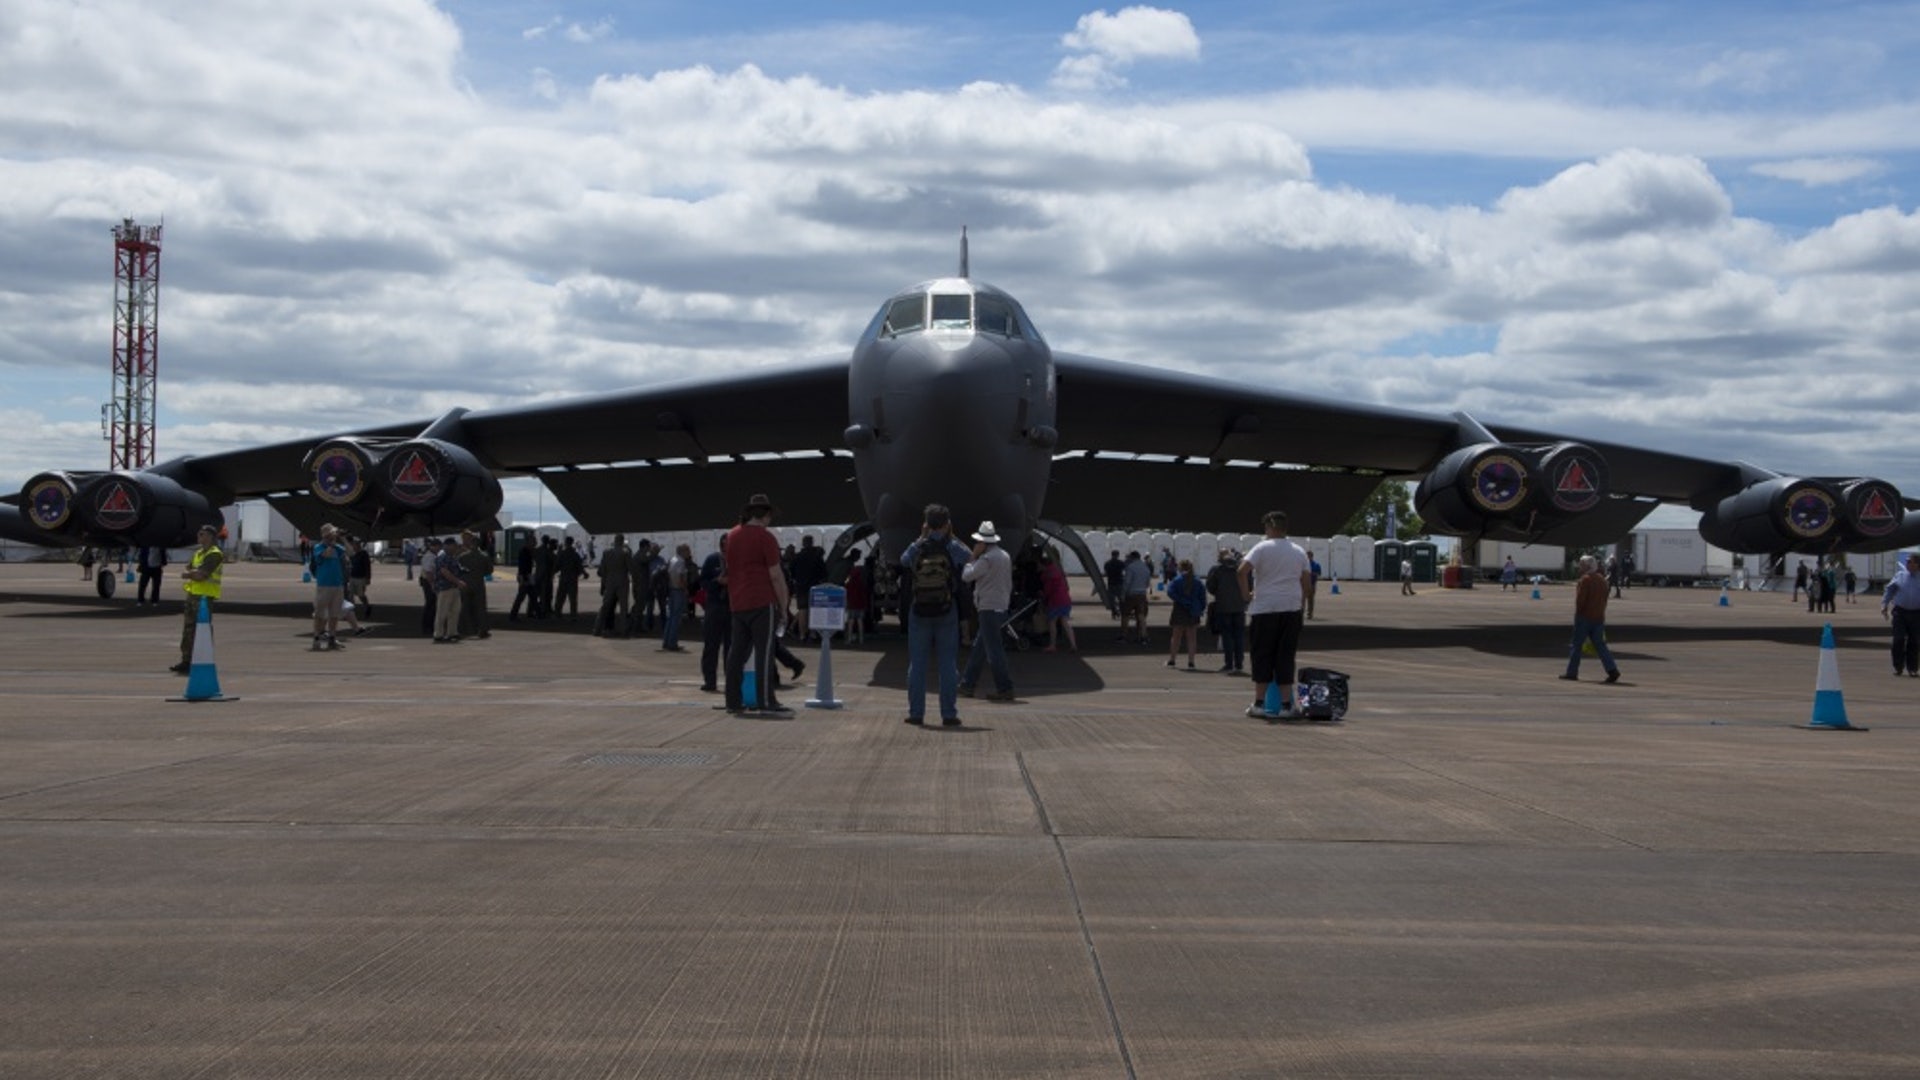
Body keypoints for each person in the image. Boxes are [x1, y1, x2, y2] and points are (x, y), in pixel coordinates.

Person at [900, 503, 971, 726]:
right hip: (946, 610)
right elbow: (970, 557)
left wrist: (921, 538)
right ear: (947, 524)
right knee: (948, 664)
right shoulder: (953, 547)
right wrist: (951, 535)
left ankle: (916, 713)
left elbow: (903, 560)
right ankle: (948, 714)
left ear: (926, 524)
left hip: (919, 610)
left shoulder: (918, 548)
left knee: (917, 664)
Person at [1237, 510, 1311, 720]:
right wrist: (1300, 603)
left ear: (1269, 527)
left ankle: (1259, 703)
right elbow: (1306, 584)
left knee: (1262, 654)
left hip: (1265, 608)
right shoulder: (1298, 551)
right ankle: (1287, 705)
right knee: (1285, 656)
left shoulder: (1261, 548)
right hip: (1291, 608)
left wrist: (1247, 594)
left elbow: (1241, 571)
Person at [724, 494, 791, 714]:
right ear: (766, 515)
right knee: (765, 652)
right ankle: (766, 701)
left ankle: (733, 701)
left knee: (737, 654)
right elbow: (775, 575)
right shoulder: (766, 538)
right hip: (762, 601)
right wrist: (784, 605)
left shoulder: (732, 536)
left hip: (738, 602)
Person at [958, 520, 1015, 701]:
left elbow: (967, 576)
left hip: (988, 608)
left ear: (983, 543)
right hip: (1000, 606)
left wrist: (972, 558)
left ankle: (1004, 687)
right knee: (980, 648)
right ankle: (967, 684)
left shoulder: (986, 559)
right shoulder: (1005, 556)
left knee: (993, 651)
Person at [170, 524, 223, 673]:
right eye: (199, 534)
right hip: (193, 595)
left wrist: (190, 574)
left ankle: (203, 659)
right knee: (188, 630)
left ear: (211, 537)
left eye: (202, 534)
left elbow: (201, 575)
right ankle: (186, 660)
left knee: (202, 630)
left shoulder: (214, 554)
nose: (199, 537)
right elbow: (189, 568)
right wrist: (192, 572)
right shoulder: (199, 553)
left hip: (205, 598)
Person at [1560, 554, 1621, 683]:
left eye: (1581, 565)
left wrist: (1579, 615)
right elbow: (1605, 599)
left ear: (1587, 566)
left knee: (1576, 645)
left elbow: (1580, 601)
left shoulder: (1585, 580)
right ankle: (1612, 670)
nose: (1579, 567)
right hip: (1599, 617)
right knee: (1601, 646)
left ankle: (1572, 672)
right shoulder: (1602, 580)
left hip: (1584, 618)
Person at [1205, 549, 1247, 674]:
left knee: (1227, 636)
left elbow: (1210, 587)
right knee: (1239, 636)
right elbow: (1248, 584)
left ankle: (1229, 664)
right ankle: (1239, 663)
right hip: (1239, 607)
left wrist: (1220, 593)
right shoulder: (1241, 567)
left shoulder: (1217, 569)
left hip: (1223, 606)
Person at [308, 524, 349, 650]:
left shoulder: (338, 547)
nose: (334, 535)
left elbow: (350, 551)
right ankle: (316, 638)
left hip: (337, 585)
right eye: (332, 533)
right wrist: (331, 543)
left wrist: (343, 539)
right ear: (326, 535)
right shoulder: (318, 547)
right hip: (324, 585)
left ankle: (332, 638)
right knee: (320, 614)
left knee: (334, 614)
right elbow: (325, 554)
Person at [698, 535, 731, 692]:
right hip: (715, 605)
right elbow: (702, 581)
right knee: (711, 645)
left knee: (731, 647)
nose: (726, 548)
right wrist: (716, 582)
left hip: (733, 607)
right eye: (724, 545)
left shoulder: (738, 561)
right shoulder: (712, 560)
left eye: (729, 545)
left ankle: (731, 681)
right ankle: (710, 681)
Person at [1881, 553, 1920, 677]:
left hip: (1917, 614)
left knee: (1914, 641)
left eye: (1911, 562)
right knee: (1898, 639)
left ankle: (1912, 668)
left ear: (1918, 565)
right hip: (1900, 612)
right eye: (1907, 562)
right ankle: (1898, 666)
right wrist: (1884, 605)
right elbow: (1890, 590)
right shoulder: (1900, 575)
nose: (1908, 564)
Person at [1164, 558, 1207, 669]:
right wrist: (1200, 608)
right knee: (1192, 638)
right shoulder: (1197, 581)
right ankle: (1191, 662)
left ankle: (1172, 660)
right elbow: (1203, 598)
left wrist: (1181, 600)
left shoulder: (1177, 580)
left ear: (1180, 568)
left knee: (1176, 636)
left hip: (1179, 609)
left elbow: (1170, 592)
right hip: (1193, 610)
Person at [430, 535, 469, 643]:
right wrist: (458, 581)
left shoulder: (452, 556)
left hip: (453, 588)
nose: (456, 548)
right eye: (454, 546)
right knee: (442, 612)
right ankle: (438, 634)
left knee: (454, 611)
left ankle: (452, 633)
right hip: (445, 587)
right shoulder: (443, 556)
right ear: (448, 546)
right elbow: (444, 571)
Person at [1039, 548, 1077, 653]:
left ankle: (1052, 645)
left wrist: (1043, 596)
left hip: (1055, 601)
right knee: (1065, 622)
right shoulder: (1057, 571)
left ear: (1043, 565)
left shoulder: (1047, 575)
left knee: (1052, 623)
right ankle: (1073, 644)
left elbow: (1048, 590)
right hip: (1065, 600)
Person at [594, 534, 632, 637]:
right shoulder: (625, 552)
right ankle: (623, 630)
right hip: (622, 581)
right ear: (622, 541)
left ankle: (597, 628)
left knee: (605, 606)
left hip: (610, 581)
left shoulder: (607, 552)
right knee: (623, 607)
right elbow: (630, 568)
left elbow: (601, 570)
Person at [661, 542, 693, 651]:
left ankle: (666, 641)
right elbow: (680, 578)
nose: (689, 552)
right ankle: (672, 643)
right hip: (678, 591)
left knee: (671, 617)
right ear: (682, 551)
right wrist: (685, 589)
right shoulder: (681, 562)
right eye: (688, 550)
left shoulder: (672, 559)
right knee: (676, 618)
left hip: (671, 590)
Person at [1118, 551, 1152, 644]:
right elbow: (1147, 583)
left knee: (1125, 615)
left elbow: (1127, 582)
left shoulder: (1130, 567)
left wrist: (1122, 595)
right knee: (1141, 616)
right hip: (1142, 595)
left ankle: (1123, 636)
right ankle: (1143, 636)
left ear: (1132, 557)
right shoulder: (1146, 567)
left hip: (1131, 594)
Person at [555, 536, 585, 619]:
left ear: (566, 543)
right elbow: (580, 566)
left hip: (563, 578)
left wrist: (552, 572)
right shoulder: (575, 554)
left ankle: (558, 613)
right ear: (572, 543)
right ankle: (573, 615)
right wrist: (584, 573)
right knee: (573, 598)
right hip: (572, 579)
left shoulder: (562, 554)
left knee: (560, 597)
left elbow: (557, 565)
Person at [346, 535, 372, 618]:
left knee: (361, 595)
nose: (354, 546)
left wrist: (368, 578)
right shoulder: (352, 554)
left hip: (361, 578)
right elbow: (349, 564)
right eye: (353, 544)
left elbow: (367, 566)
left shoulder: (364, 554)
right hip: (352, 577)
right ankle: (351, 612)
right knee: (350, 595)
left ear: (358, 545)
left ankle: (367, 606)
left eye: (355, 544)